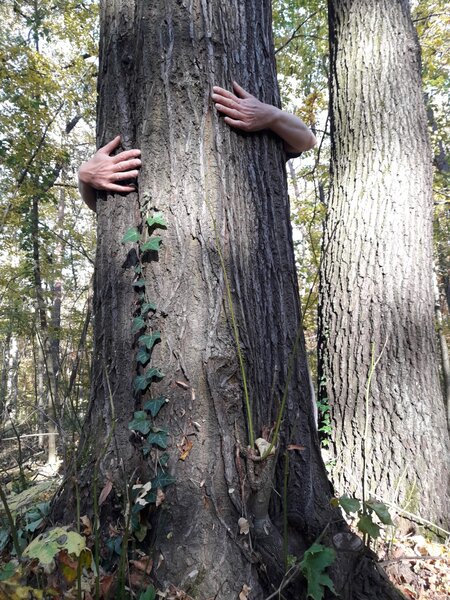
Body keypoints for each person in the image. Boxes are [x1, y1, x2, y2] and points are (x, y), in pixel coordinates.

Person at [78, 83, 316, 211]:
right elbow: (102, 207)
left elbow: (305, 141)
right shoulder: (118, 150)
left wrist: (272, 115)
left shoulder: (269, 137)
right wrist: (84, 176)